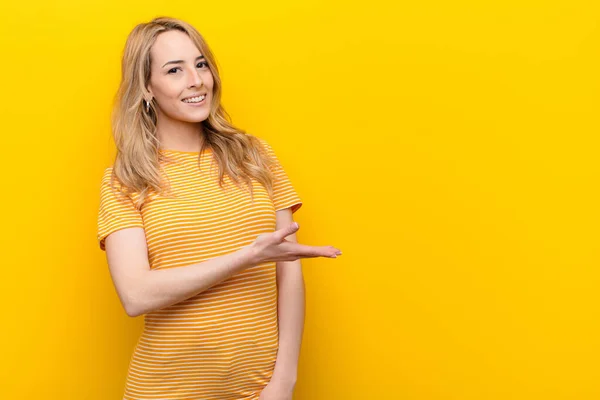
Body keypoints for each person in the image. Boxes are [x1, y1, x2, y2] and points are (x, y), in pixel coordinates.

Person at [96, 16, 342, 400]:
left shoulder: (254, 156)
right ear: (146, 87)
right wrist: (246, 257)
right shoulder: (126, 179)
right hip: (166, 391)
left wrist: (284, 381)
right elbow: (136, 294)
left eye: (201, 64)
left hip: (257, 389)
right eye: (174, 70)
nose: (195, 80)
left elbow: (287, 268)